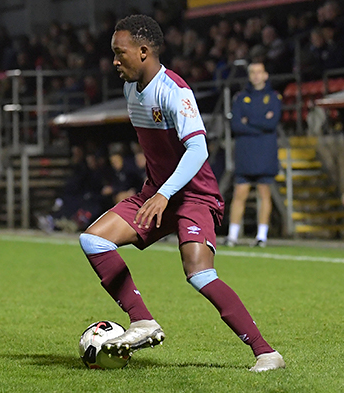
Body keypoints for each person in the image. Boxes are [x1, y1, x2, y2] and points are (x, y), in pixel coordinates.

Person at [78, 15, 284, 372]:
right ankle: (143, 321)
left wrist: (166, 192)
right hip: (154, 194)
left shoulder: (175, 92)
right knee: (94, 241)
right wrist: (156, 191)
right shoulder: (131, 88)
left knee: (199, 274)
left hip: (193, 197)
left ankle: (267, 353)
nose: (114, 61)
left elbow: (198, 150)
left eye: (119, 53)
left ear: (143, 52)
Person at [225, 62, 282, 248]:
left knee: (264, 192)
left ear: (265, 75)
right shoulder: (241, 98)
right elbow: (236, 125)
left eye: (259, 72)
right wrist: (260, 122)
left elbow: (272, 123)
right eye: (252, 72)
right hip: (245, 152)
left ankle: (261, 236)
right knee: (240, 192)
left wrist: (249, 121)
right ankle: (232, 236)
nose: (256, 76)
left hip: (265, 151)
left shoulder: (273, 97)